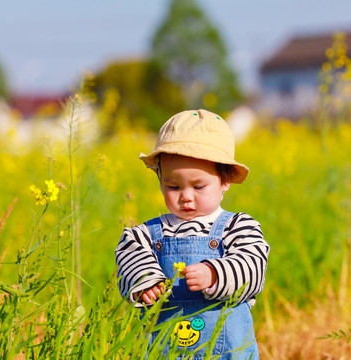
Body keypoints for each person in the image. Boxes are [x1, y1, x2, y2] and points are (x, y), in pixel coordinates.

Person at [115, 109, 270, 359]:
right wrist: (145, 282)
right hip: (163, 349)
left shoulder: (239, 227)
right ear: (160, 178)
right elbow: (128, 254)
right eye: (173, 186)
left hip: (227, 351)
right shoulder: (147, 233)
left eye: (199, 186)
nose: (186, 196)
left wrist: (215, 273)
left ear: (225, 180)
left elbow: (253, 269)